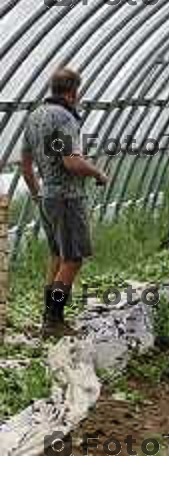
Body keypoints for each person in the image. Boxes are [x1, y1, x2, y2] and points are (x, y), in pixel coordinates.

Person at [20, 67, 108, 336]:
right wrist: (98, 173)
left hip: (48, 196)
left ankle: (48, 317)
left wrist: (37, 193)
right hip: (68, 198)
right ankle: (54, 320)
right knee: (72, 259)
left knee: (57, 256)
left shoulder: (35, 117)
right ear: (73, 92)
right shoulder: (65, 118)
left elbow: (25, 163)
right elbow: (71, 162)